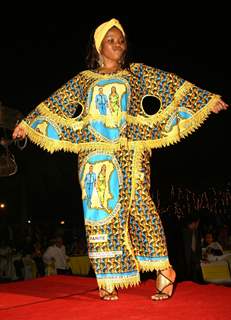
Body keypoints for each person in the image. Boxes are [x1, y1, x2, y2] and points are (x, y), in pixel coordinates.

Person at [12, 18, 228, 300]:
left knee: (140, 204)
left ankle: (164, 268)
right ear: (98, 45)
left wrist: (205, 100)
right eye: (111, 39)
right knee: (99, 211)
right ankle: (107, 275)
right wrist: (27, 124)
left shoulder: (135, 74)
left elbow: (169, 84)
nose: (118, 44)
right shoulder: (83, 80)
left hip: (131, 150)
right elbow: (56, 103)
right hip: (94, 153)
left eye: (121, 39)